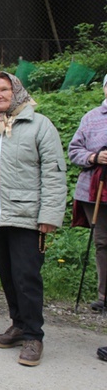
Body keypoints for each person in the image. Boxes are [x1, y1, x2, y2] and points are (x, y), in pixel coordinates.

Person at [0, 71, 66, 367]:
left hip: (28, 216)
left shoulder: (39, 126)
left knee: (27, 276)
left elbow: (55, 174)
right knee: (7, 275)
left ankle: (34, 335)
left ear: (16, 91)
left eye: (4, 89)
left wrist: (49, 215)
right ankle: (18, 324)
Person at [68, 74, 107, 312]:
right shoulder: (91, 118)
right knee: (102, 241)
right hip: (96, 190)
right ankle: (104, 295)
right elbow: (74, 151)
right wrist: (95, 157)